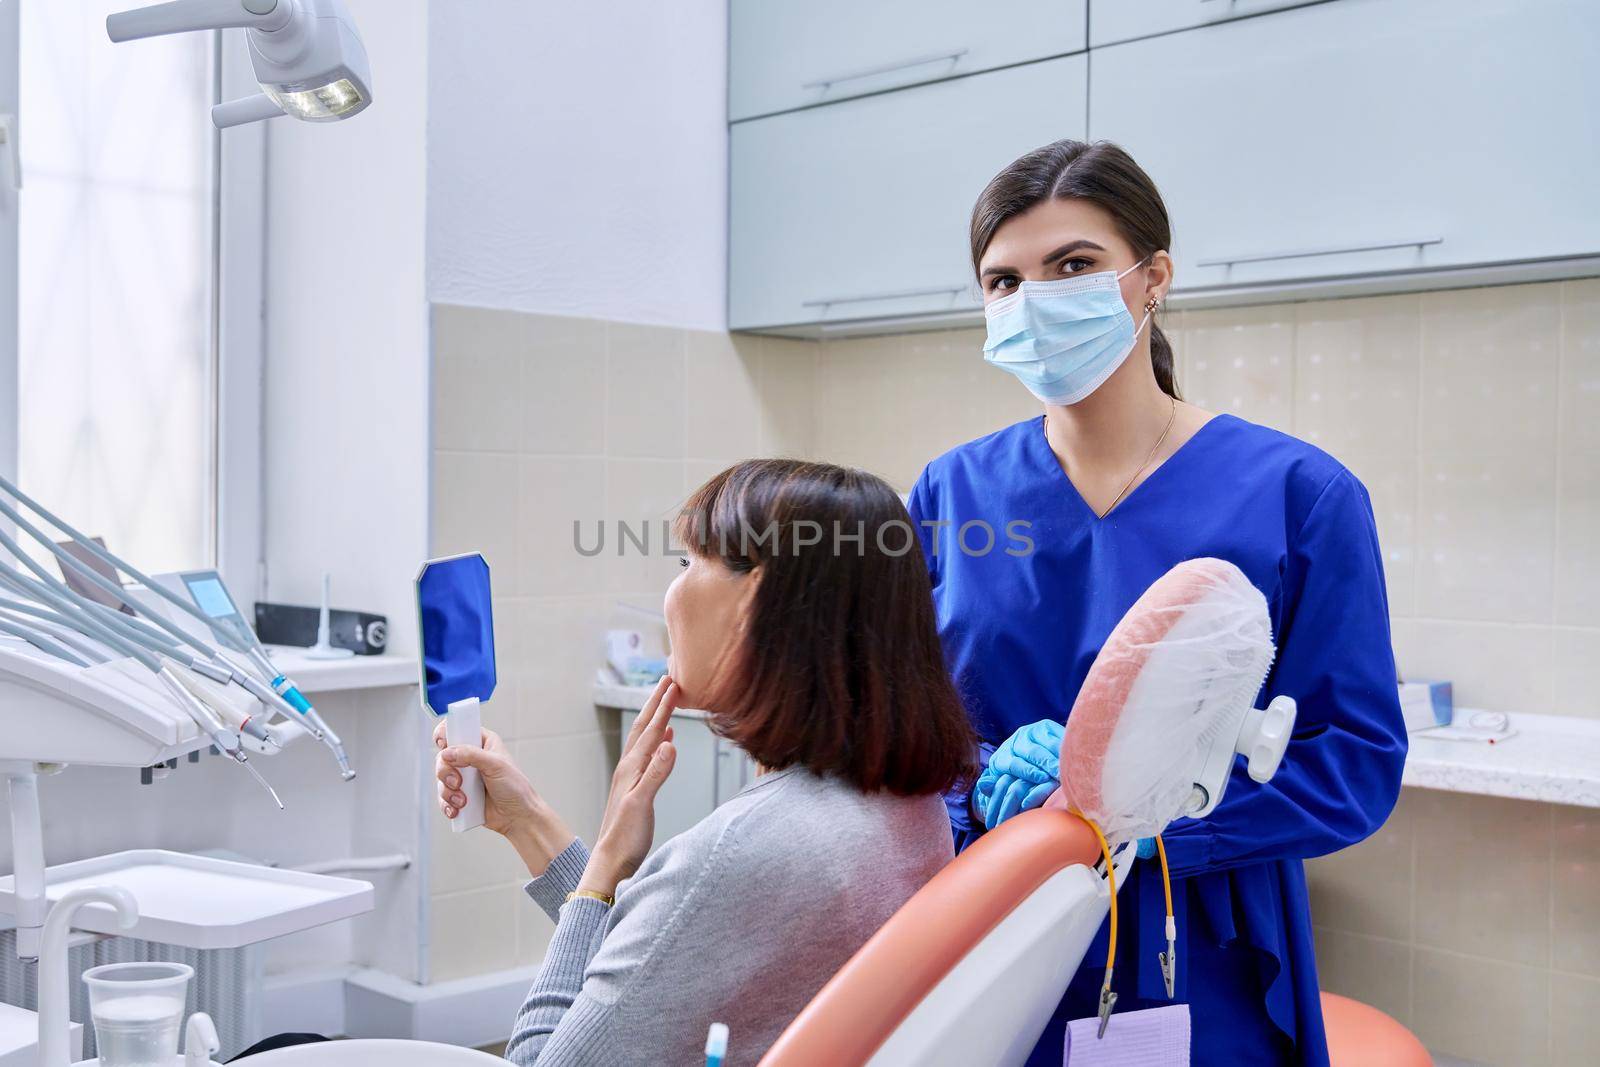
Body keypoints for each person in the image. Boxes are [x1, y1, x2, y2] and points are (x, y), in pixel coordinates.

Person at [907, 140, 1406, 1066]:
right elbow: (900, 731)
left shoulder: (1301, 495)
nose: (1034, 301)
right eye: (1003, 280)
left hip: (1201, 946)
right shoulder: (950, 494)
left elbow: (1355, 761)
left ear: (1153, 278)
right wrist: (982, 787)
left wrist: (1138, 810)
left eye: (1073, 266)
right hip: (990, 925)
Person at [434, 459, 974, 1066]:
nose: (670, 594)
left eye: (687, 563)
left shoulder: (746, 851)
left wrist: (604, 870)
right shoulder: (906, 807)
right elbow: (661, 965)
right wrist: (526, 820)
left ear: (760, 599)